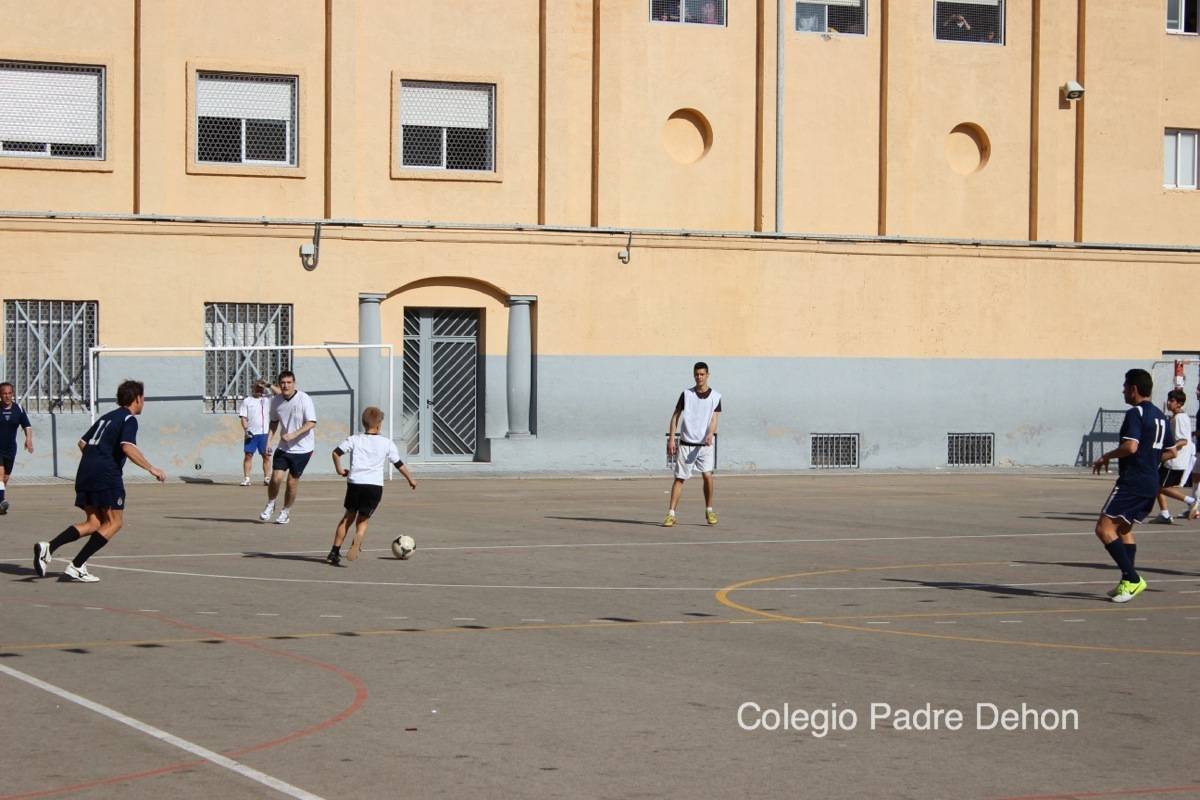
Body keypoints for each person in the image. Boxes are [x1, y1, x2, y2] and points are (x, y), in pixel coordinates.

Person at [33, 380, 165, 583]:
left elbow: (82, 443)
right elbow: (127, 447)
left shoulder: (107, 417)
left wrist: (95, 460)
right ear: (137, 398)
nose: (144, 401)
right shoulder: (129, 419)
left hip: (85, 472)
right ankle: (77, 565)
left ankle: (49, 547)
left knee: (94, 523)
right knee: (114, 522)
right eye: (143, 397)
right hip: (106, 475)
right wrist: (151, 468)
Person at [1090, 369, 1174, 603]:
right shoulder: (1161, 416)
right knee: (1124, 530)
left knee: (1103, 529)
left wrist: (1106, 456)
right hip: (1151, 481)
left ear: (1134, 389)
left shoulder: (1135, 413)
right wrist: (1150, 460)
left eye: (1125, 387)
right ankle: (1127, 583)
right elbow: (1171, 451)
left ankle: (1133, 578)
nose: (1123, 391)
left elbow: (1131, 447)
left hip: (1133, 481)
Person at [326, 406, 416, 566]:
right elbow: (398, 464)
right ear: (379, 424)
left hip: (355, 483)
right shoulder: (386, 443)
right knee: (363, 520)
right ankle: (358, 538)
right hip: (374, 486)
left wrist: (340, 470)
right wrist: (410, 479)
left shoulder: (355, 439)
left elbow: (336, 453)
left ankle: (334, 551)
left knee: (347, 518)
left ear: (363, 423)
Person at [663, 362, 722, 527]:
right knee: (679, 479)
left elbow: (714, 419)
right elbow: (675, 416)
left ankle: (709, 510)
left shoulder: (716, 396)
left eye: (702, 374)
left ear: (707, 375)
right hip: (686, 443)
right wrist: (672, 438)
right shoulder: (686, 394)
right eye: (696, 374)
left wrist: (710, 433)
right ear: (693, 375)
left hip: (705, 446)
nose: (699, 377)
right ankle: (671, 514)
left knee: (707, 476)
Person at [260, 370, 317, 525]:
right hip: (284, 447)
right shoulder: (276, 401)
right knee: (275, 478)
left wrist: (293, 435)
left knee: (291, 482)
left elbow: (311, 423)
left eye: (289, 382)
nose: (286, 385)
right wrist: (268, 441)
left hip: (303, 449)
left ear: (294, 383)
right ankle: (271, 503)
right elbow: (273, 422)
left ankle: (285, 512)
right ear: (279, 384)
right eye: (283, 383)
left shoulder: (304, 399)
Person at [1150, 388, 1196, 523]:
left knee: (1159, 487)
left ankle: (1191, 501)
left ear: (1179, 404)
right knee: (1156, 485)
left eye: (1172, 401)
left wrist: (1170, 450)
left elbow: (1183, 440)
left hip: (1174, 461)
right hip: (1170, 460)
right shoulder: (1176, 417)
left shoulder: (1180, 418)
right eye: (1169, 400)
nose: (1169, 403)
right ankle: (1164, 514)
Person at [0, 382, 34, 514]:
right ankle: (1, 501)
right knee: (0, 474)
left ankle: (0, 498)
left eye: (9, 393)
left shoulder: (18, 408)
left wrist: (28, 439)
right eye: (4, 393)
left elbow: (27, 425)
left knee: (5, 478)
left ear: (12, 394)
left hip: (10, 449)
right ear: (0, 395)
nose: (7, 396)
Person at [238, 379, 273, 486]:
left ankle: (267, 478)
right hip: (251, 434)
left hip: (264, 433)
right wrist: (246, 430)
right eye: (257, 388)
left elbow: (279, 394)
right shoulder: (247, 401)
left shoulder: (267, 399)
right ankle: (247, 478)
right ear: (253, 388)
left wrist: (268, 385)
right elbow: (243, 417)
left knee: (266, 456)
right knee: (248, 455)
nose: (259, 390)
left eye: (261, 388)